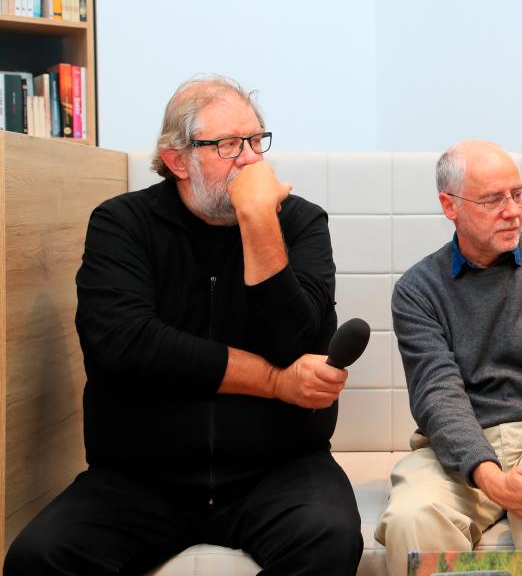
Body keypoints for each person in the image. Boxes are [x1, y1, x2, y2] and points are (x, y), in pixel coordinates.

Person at [4, 75, 363, 575]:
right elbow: (127, 344)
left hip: (278, 471)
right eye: (228, 145)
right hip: (140, 479)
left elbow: (295, 343)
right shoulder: (122, 223)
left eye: (256, 140)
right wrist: (273, 382)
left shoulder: (301, 222)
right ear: (177, 160)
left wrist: (259, 220)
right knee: (38, 557)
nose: (251, 160)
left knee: (330, 539)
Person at [375, 140, 522, 576]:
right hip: (458, 449)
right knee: (413, 518)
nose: (513, 211)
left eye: (517, 194)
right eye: (493, 200)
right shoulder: (418, 289)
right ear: (449, 206)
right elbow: (438, 397)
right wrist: (494, 481)